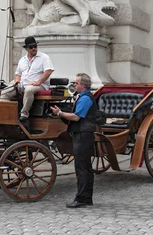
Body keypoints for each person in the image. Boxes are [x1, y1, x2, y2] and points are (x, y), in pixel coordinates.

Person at [50, 73, 96, 208]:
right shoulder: (83, 97)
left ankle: (82, 198)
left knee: (81, 168)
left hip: (83, 135)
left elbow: (76, 117)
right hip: (83, 134)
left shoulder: (85, 99)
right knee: (85, 168)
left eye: (76, 83)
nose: (74, 85)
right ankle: (86, 197)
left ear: (83, 85)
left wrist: (59, 113)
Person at [1, 36, 54, 122]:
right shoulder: (22, 60)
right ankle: (7, 115)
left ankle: (24, 114)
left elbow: (48, 71)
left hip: (40, 85)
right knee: (4, 92)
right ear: (26, 48)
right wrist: (17, 81)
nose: (34, 48)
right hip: (23, 84)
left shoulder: (44, 57)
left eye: (35, 46)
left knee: (29, 90)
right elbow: (17, 74)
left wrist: (38, 82)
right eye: (31, 47)